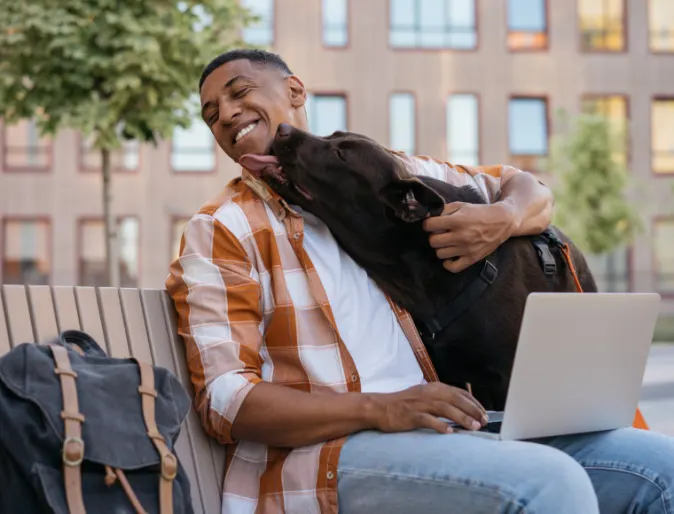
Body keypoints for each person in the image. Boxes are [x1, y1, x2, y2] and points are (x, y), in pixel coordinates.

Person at [166, 49, 674, 514]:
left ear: (295, 92)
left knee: (664, 470)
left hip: (447, 429)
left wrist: (504, 216)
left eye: (239, 92)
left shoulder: (379, 171)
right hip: (323, 456)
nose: (226, 114)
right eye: (211, 113)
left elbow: (528, 188)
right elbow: (227, 401)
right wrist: (381, 408)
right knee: (547, 484)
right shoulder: (223, 228)